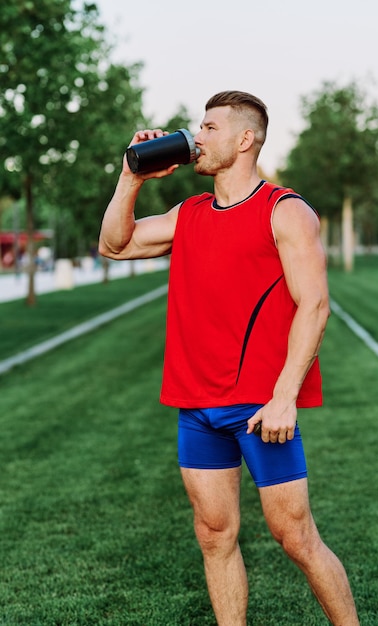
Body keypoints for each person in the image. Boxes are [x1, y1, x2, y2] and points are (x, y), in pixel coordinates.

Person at [99, 90, 359, 626]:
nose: (197, 137)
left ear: (245, 140)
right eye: (199, 126)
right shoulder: (188, 212)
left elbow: (315, 304)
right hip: (196, 405)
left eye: (210, 128)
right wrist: (132, 176)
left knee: (296, 538)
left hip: (261, 407)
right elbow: (115, 245)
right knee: (214, 536)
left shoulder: (285, 211)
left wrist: (285, 395)